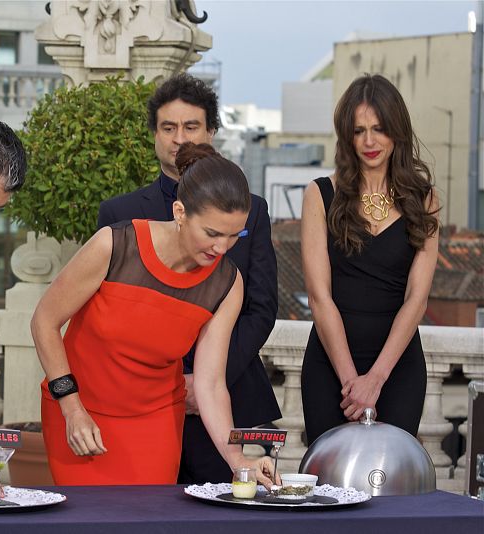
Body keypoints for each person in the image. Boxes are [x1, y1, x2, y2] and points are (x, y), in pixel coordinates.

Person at [33, 142, 277, 486]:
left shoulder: (227, 283)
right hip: (78, 411)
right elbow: (44, 320)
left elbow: (209, 383)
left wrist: (237, 460)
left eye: (234, 235)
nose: (222, 247)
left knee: (149, 520)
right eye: (212, 233)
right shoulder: (114, 245)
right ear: (180, 212)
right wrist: (71, 408)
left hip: (156, 420)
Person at [97, 74, 280, 484]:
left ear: (211, 131)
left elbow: (262, 307)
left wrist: (206, 381)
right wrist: (170, 384)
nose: (179, 138)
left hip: (229, 394)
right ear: (154, 135)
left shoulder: (253, 209)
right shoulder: (120, 215)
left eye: (191, 126)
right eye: (168, 127)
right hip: (141, 402)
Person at [300, 74, 439, 445]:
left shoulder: (424, 199)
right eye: (359, 130)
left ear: (397, 131)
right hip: (329, 365)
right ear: (347, 135)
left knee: (390, 482)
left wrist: (375, 379)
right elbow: (319, 297)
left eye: (379, 129)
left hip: (398, 368)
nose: (369, 141)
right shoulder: (319, 194)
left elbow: (417, 299)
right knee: (328, 484)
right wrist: (352, 383)